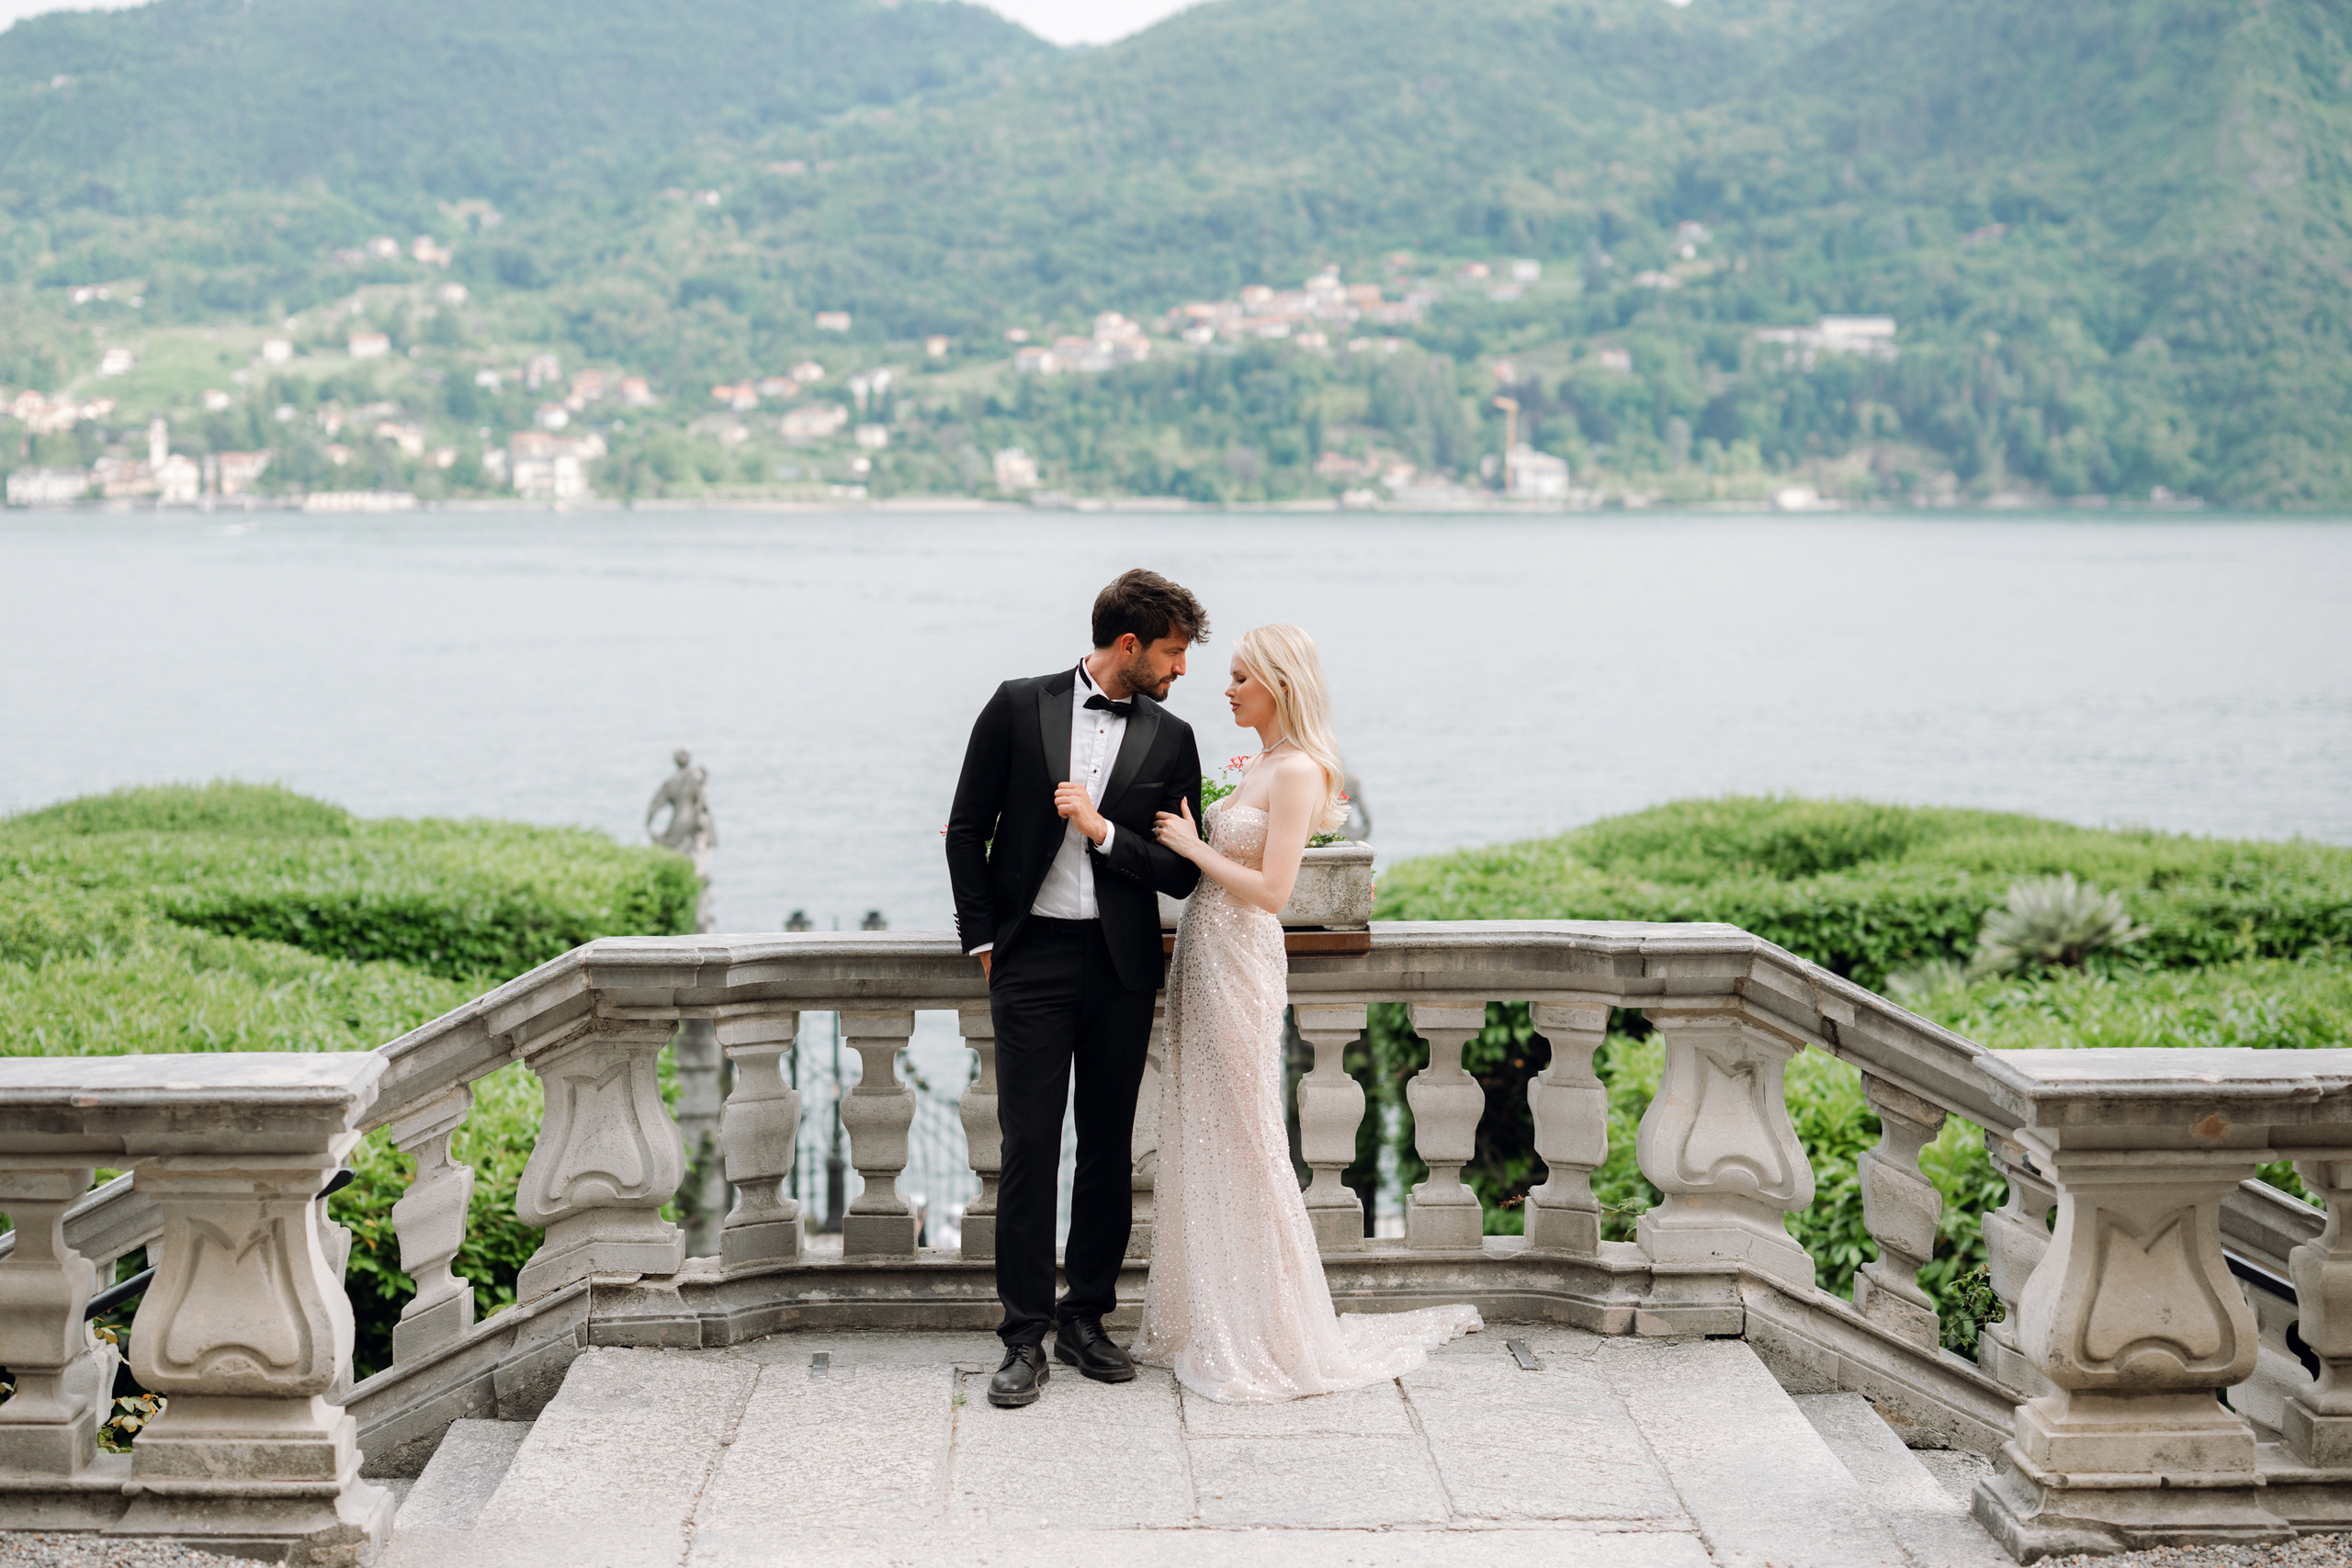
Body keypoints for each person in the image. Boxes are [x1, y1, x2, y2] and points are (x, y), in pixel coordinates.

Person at [1139, 623, 1480, 1402]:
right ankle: (1214, 1312)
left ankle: (1277, 1327)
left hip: (1242, 959)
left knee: (1252, 1134)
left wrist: (1193, 847)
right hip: (1204, 953)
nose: (1224, 689)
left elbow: (1274, 892)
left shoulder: (1297, 769)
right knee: (1205, 1130)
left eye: (1238, 678)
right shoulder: (1257, 761)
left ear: (1280, 685)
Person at [944, 569, 1210, 1408]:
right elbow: (965, 828)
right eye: (1172, 651)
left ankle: (1085, 1317)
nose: (1180, 668)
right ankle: (1022, 1336)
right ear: (1128, 644)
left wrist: (1104, 834)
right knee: (1029, 1148)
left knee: (1106, 1148)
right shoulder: (1016, 705)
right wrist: (986, 938)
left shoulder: (1174, 738)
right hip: (1030, 961)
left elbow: (1179, 872)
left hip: (1121, 966)